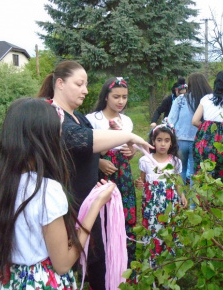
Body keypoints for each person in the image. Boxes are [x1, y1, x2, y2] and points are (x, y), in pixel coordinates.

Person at [37, 60, 152, 290]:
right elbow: (80, 139)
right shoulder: (51, 115)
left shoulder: (80, 117)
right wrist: (129, 136)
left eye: (86, 84)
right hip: (66, 207)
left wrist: (112, 156)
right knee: (73, 264)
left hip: (88, 203)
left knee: (97, 262)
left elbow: (90, 148)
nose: (86, 90)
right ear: (60, 83)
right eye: (79, 84)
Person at [0, 98, 115, 289]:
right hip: (40, 282)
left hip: (0, 281)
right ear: (45, 140)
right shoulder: (47, 191)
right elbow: (63, 264)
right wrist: (96, 205)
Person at [85, 77, 137, 270]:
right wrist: (98, 162)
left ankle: (124, 259)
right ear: (106, 96)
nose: (121, 101)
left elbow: (129, 148)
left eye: (124, 97)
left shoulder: (127, 121)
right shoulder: (93, 119)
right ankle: (103, 261)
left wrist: (131, 152)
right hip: (101, 175)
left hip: (123, 173)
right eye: (116, 96)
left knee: (125, 211)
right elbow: (85, 149)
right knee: (103, 214)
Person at [136, 124, 188, 267]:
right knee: (153, 230)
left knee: (170, 230)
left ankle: (170, 263)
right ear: (153, 141)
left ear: (171, 143)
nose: (163, 144)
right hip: (152, 205)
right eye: (159, 140)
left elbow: (177, 182)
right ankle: (152, 263)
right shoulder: (145, 160)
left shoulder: (175, 162)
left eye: (166, 140)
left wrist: (182, 195)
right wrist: (139, 184)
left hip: (170, 204)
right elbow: (142, 181)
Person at [192, 70, 223, 183]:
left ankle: (202, 200)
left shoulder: (206, 98)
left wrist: (208, 128)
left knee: (204, 177)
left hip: (204, 142)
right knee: (222, 177)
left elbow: (195, 121)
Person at [168, 73, 212, 186]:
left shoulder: (181, 99)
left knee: (180, 170)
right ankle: (193, 203)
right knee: (194, 173)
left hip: (180, 139)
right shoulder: (207, 101)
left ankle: (180, 200)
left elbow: (171, 119)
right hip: (198, 140)